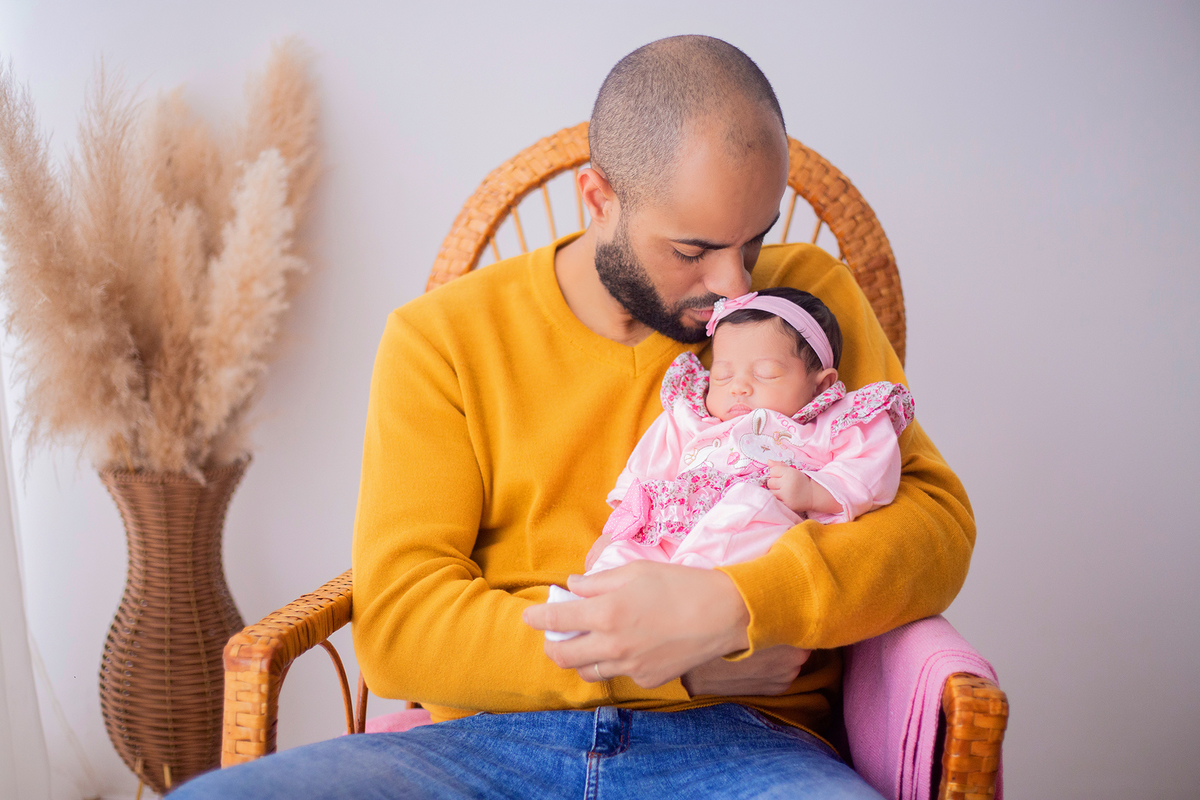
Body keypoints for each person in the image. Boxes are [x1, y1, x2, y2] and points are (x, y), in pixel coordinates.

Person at [174, 34, 973, 799]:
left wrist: (734, 607)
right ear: (598, 199)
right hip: (487, 744)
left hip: (743, 744)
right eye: (692, 251)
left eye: (753, 241)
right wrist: (670, 656)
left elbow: (934, 529)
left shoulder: (803, 306)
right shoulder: (440, 339)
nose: (736, 287)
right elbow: (399, 625)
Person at [546, 288, 914, 640]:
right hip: (674, 522)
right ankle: (583, 611)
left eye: (765, 373)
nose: (738, 387)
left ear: (820, 387)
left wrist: (815, 492)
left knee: (744, 510)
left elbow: (869, 471)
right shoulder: (692, 418)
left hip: (754, 523)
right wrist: (617, 530)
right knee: (627, 553)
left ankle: (669, 608)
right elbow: (646, 470)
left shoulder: (827, 426)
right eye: (722, 375)